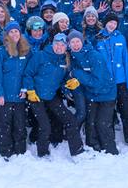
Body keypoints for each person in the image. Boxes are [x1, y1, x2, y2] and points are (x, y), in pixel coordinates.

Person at [23, 33, 90, 162]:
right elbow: (28, 74)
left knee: (70, 120)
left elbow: (63, 79)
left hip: (51, 96)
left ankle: (77, 152)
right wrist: (30, 90)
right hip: (36, 97)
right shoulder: (41, 56)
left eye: (62, 45)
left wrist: (71, 83)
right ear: (52, 44)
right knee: (45, 125)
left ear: (66, 48)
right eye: (57, 44)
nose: (59, 47)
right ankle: (42, 153)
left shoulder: (64, 60)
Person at [66, 30, 118, 154]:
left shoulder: (94, 56)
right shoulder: (72, 57)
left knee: (102, 123)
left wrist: (77, 74)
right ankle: (93, 146)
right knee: (90, 122)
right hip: (91, 94)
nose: (75, 44)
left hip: (106, 94)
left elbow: (98, 81)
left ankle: (110, 149)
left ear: (82, 42)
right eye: (72, 42)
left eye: (77, 41)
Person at [96, 13, 128, 145]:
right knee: (107, 113)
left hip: (121, 81)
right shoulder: (98, 38)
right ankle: (108, 139)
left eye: (114, 23)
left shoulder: (120, 38)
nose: (112, 25)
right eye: (110, 22)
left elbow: (125, 60)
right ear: (105, 23)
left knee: (126, 110)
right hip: (106, 81)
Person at [0, 21, 30, 161]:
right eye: (11, 32)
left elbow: (28, 72)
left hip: (19, 95)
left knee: (20, 124)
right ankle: (6, 151)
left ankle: (20, 151)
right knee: (5, 124)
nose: (14, 34)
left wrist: (25, 88)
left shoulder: (25, 50)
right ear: (7, 35)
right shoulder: (0, 51)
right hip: (4, 96)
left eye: (16, 31)